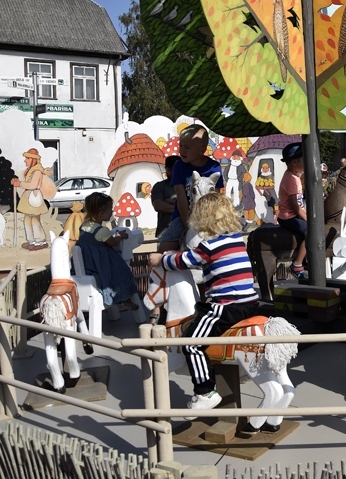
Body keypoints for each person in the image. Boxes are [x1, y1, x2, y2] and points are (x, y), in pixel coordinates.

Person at [148, 192, 259, 414]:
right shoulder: (237, 240)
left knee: (191, 341)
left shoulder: (209, 246)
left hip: (227, 306)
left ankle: (205, 391)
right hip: (250, 301)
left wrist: (161, 258)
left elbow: (183, 261)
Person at [159, 124, 223, 252]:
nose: (182, 151)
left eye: (187, 147)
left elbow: (216, 198)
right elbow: (181, 199)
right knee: (164, 249)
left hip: (209, 216)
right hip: (183, 216)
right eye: (180, 146)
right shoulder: (179, 167)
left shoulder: (214, 167)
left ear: (202, 149)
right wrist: (187, 225)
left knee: (225, 242)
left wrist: (210, 221)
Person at [75, 192, 140, 310]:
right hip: (99, 264)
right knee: (122, 272)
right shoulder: (101, 231)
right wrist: (120, 236)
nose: (112, 212)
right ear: (101, 213)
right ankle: (124, 298)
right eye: (110, 209)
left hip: (87, 263)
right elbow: (113, 242)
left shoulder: (84, 226)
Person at [277, 142, 308, 279]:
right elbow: (295, 207)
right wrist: (309, 220)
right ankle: (297, 264)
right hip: (288, 216)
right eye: (304, 160)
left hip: (293, 214)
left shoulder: (294, 177)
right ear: (295, 162)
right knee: (311, 232)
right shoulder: (291, 180)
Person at [10, 148, 50, 251]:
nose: (25, 161)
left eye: (27, 158)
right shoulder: (31, 171)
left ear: (33, 159)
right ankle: (31, 240)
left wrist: (19, 184)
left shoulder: (37, 171)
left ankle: (40, 240)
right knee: (27, 219)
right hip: (29, 196)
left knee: (35, 220)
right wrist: (17, 182)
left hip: (34, 196)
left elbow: (33, 185)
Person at [151, 156, 178, 238]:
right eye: (170, 169)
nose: (173, 172)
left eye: (176, 169)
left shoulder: (188, 185)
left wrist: (169, 201)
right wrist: (182, 208)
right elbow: (158, 206)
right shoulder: (159, 186)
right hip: (164, 232)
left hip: (185, 232)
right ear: (166, 169)